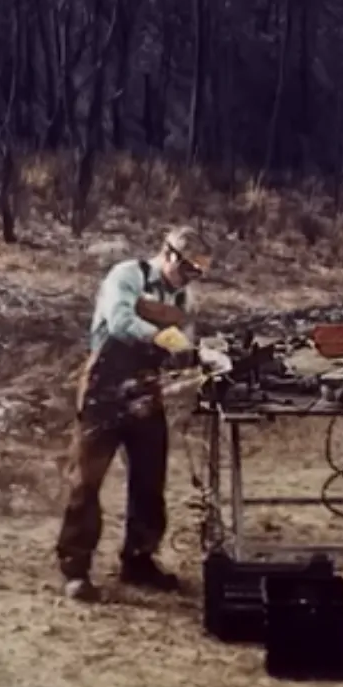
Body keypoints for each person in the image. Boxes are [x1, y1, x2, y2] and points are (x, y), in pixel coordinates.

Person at [55, 225, 216, 603]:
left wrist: (195, 353)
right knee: (86, 481)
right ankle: (75, 569)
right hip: (104, 390)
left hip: (146, 390)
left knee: (149, 480)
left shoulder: (184, 298)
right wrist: (162, 336)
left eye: (200, 273)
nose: (193, 278)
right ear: (171, 255)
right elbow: (120, 321)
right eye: (190, 269)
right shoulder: (126, 276)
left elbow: (184, 342)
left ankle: (139, 560)